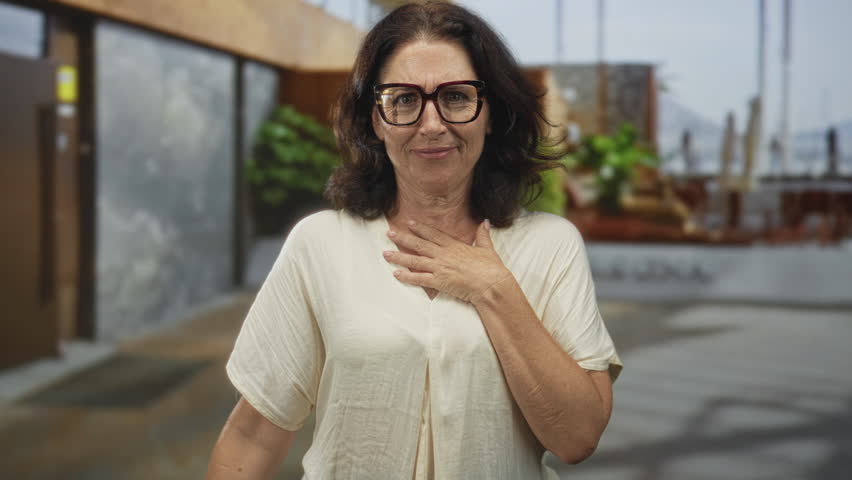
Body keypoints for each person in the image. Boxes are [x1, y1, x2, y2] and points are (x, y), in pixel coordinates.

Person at [206, 2, 622, 479]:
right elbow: (253, 436)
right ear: (377, 120)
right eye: (404, 99)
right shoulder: (319, 244)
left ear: (490, 114)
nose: (431, 124)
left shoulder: (550, 245)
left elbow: (577, 438)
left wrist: (494, 289)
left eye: (456, 97)